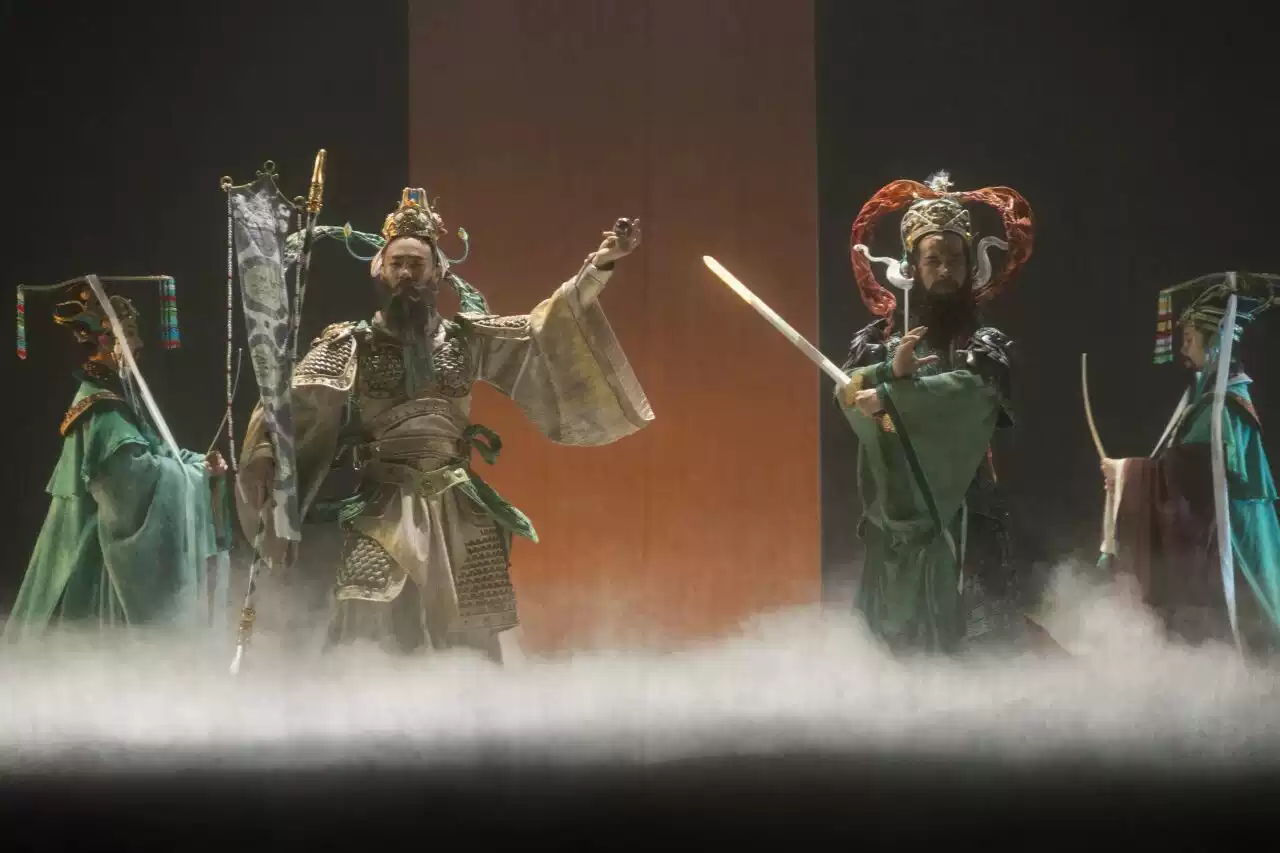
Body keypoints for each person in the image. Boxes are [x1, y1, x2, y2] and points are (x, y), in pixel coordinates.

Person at [235, 187, 653, 662]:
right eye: (397, 264)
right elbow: (289, 405)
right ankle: (364, 698)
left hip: (458, 503)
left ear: (437, 272)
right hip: (384, 500)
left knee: (471, 621)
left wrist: (599, 266)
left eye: (417, 264)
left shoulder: (466, 338)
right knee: (367, 608)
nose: (407, 274)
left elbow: (546, 325)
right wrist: (264, 454)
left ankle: (472, 702)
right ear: (380, 270)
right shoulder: (351, 342)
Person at [836, 170, 1054, 655]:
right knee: (898, 637)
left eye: (955, 259)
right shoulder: (874, 343)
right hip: (898, 507)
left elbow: (975, 395)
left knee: (979, 639)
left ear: (970, 266)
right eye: (932, 259)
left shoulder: (987, 345)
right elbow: (849, 396)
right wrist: (885, 375)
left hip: (966, 504)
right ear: (912, 266)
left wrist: (894, 396)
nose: (945, 270)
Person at [4, 279, 230, 642]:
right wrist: (193, 475)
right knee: (94, 650)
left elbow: (157, 450)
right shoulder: (101, 408)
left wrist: (201, 463)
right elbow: (131, 485)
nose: (138, 345)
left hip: (104, 545)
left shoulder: (118, 399)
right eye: (130, 335)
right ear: (106, 341)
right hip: (99, 555)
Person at [1102, 272, 1280, 656]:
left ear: (1214, 343)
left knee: (1251, 628)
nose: (1183, 349)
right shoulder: (1212, 402)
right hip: (1223, 532)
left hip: (1233, 537)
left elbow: (1192, 476)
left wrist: (1126, 472)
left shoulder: (1227, 407)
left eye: (1189, 338)